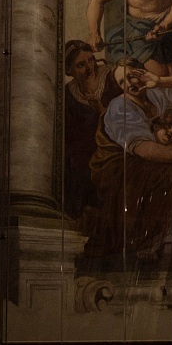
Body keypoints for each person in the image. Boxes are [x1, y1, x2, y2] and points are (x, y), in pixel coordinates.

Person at [81, 64, 172, 260]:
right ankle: (151, 242)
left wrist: (160, 80)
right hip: (119, 168)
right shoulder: (119, 106)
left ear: (142, 74)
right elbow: (143, 149)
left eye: (132, 76)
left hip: (149, 160)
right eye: (122, 82)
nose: (129, 83)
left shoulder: (155, 94)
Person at [63, 40, 105, 217]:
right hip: (80, 158)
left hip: (107, 150)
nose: (90, 68)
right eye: (81, 65)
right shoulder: (67, 95)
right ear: (70, 71)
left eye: (91, 60)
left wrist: (100, 109)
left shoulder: (108, 82)